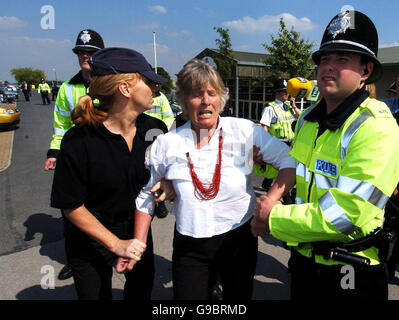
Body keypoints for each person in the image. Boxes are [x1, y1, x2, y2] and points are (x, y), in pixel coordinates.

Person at [116, 59, 296, 300]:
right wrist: (138, 243)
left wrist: (271, 200)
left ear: (221, 97)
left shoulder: (245, 132)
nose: (205, 101)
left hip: (239, 239)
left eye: (211, 93)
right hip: (191, 246)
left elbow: (290, 162)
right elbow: (146, 195)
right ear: (183, 101)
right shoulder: (167, 144)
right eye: (195, 94)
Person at [251, 10, 399, 300]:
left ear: (365, 71)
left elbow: (348, 214)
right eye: (324, 59)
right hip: (305, 260)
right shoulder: (309, 118)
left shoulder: (377, 126)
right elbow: (299, 166)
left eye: (342, 60)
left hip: (351, 270)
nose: (328, 68)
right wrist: (266, 164)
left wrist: (274, 217)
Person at [50, 47, 170, 300]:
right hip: (90, 239)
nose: (155, 90)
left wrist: (168, 183)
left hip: (137, 229)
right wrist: (116, 244)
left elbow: (160, 177)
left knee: (141, 291)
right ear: (125, 89)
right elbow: (70, 206)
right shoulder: (79, 140)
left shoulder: (155, 130)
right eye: (148, 82)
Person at [44, 29, 105, 281]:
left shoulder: (112, 85)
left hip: (104, 158)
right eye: (81, 52)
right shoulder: (67, 88)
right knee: (72, 216)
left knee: (106, 210)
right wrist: (54, 151)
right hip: (76, 160)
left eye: (91, 52)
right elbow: (60, 125)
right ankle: (76, 260)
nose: (85, 56)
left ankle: (111, 253)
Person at [255, 78, 301, 202]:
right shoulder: (270, 109)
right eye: (284, 91)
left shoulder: (289, 107)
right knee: (282, 174)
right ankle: (284, 198)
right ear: (277, 93)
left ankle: (269, 187)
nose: (287, 94)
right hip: (277, 145)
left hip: (291, 145)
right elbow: (263, 128)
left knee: (286, 172)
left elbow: (302, 118)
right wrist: (262, 147)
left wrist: (294, 106)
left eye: (287, 91)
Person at [144, 85, 175, 219]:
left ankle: (160, 204)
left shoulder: (161, 98)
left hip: (156, 139)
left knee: (159, 173)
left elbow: (168, 117)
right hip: (142, 139)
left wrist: (162, 137)